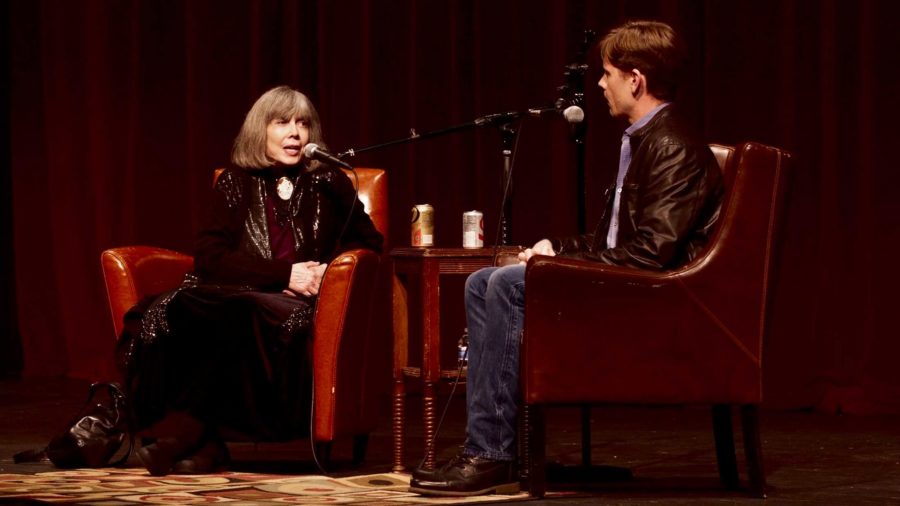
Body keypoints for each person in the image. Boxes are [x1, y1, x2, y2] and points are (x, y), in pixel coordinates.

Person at [410, 20, 724, 496]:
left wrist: (555, 270)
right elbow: (612, 239)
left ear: (634, 80)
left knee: (510, 284)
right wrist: (556, 250)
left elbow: (652, 255)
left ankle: (490, 453)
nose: (599, 84)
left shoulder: (672, 146)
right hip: (629, 287)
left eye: (608, 74)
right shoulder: (643, 139)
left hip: (657, 303)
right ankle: (497, 447)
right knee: (485, 281)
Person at [118, 85, 383, 475]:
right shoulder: (235, 181)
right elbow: (210, 257)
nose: (295, 133)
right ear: (260, 130)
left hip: (293, 306)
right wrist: (282, 274)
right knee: (179, 306)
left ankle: (186, 435)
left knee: (237, 311)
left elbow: (369, 244)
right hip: (234, 295)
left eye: (303, 124)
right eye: (282, 122)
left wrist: (330, 270)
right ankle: (204, 442)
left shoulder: (330, 181)